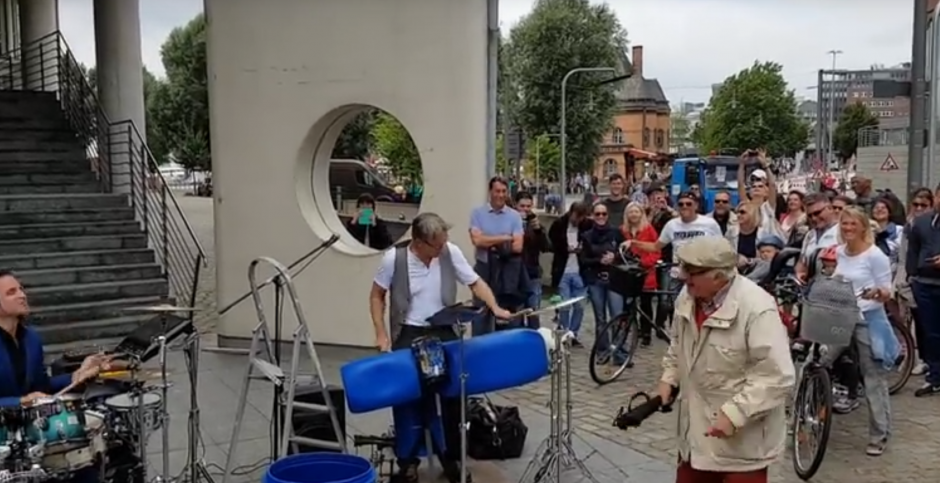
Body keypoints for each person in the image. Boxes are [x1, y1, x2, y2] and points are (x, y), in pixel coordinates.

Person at [369, 213, 511, 483]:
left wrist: (494, 306)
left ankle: (451, 458)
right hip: (408, 331)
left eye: (443, 243)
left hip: (443, 329)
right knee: (407, 400)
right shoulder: (393, 260)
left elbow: (475, 282)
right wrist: (381, 334)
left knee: (450, 399)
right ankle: (408, 460)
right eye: (437, 245)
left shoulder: (449, 251)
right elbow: (377, 295)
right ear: (419, 243)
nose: (442, 249)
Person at [658, 236, 795, 483]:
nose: (683, 276)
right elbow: (678, 345)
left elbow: (776, 375)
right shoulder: (687, 297)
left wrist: (735, 413)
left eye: (691, 270)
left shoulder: (757, 307)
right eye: (682, 267)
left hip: (742, 446)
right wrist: (670, 376)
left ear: (719, 276)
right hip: (695, 439)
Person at [0, 271, 114, 483]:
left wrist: (77, 376)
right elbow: (26, 397)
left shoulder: (31, 338)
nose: (22, 295)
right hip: (3, 438)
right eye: (11, 292)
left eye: (21, 289)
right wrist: (19, 401)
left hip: (34, 432)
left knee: (83, 465)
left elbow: (44, 386)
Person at [828, 207, 898, 455]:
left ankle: (879, 435)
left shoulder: (874, 255)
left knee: (873, 378)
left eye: (852, 225)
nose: (847, 228)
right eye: (844, 224)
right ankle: (808, 414)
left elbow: (887, 290)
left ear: (862, 228)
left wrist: (877, 293)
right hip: (842, 317)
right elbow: (836, 281)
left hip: (869, 318)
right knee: (819, 362)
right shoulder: (840, 253)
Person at [469, 177, 525, 335]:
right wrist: (505, 237)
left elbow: (518, 246)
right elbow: (477, 240)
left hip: (506, 271)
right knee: (481, 314)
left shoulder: (514, 216)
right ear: (490, 192)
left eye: (503, 191)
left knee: (506, 317)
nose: (500, 195)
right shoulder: (478, 214)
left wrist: (490, 241)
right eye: (497, 191)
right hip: (484, 269)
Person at [580, 203, 627, 363]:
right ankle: (603, 351)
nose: (601, 217)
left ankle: (619, 353)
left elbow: (626, 255)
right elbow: (583, 260)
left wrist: (615, 258)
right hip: (596, 279)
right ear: (592, 215)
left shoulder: (616, 233)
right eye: (597, 214)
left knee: (617, 316)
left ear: (607, 215)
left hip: (614, 279)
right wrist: (599, 260)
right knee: (600, 319)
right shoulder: (586, 236)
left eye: (603, 214)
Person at [905, 182, 940, 397]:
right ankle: (934, 376)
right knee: (929, 333)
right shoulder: (922, 222)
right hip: (924, 285)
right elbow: (912, 250)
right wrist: (912, 277)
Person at [896, 187, 934, 377]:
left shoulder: (932, 225)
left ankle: (929, 361)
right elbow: (904, 256)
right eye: (916, 204)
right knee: (917, 321)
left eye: (924, 205)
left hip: (930, 278)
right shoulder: (909, 226)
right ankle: (920, 359)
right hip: (913, 279)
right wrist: (902, 278)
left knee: (929, 324)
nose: (919, 208)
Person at [548, 202, 592, 345]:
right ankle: (565, 332)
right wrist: (564, 248)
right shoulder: (559, 224)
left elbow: (591, 242)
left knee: (579, 305)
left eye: (581, 217)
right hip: (563, 270)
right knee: (564, 305)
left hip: (580, 270)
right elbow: (552, 243)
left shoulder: (587, 225)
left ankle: (573, 333)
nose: (578, 220)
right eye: (576, 216)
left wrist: (582, 248)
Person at [621, 202, 662, 346]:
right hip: (629, 272)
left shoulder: (649, 229)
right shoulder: (623, 230)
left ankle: (646, 333)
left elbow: (656, 250)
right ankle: (633, 329)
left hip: (646, 271)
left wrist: (645, 262)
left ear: (641, 214)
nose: (633, 214)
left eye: (636, 212)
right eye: (631, 212)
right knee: (629, 303)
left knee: (646, 304)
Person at [515, 192, 550, 327]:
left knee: (533, 313)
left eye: (528, 206)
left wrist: (539, 230)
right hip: (516, 275)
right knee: (517, 315)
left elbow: (547, 247)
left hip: (532, 273)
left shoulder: (535, 224)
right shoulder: (511, 223)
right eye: (522, 206)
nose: (525, 209)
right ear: (516, 206)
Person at [796, 193, 840, 282]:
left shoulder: (843, 232)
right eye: (810, 215)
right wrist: (799, 273)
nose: (814, 218)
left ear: (830, 208)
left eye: (817, 213)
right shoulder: (810, 235)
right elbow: (802, 262)